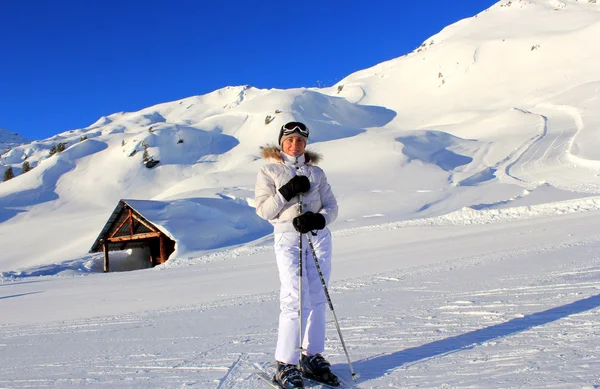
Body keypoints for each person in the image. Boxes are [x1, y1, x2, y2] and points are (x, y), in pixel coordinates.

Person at [255, 121, 340, 388]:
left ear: (306, 143)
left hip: (317, 237)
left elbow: (332, 206)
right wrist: (287, 191)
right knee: (294, 296)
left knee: (317, 296)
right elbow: (264, 211)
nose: (294, 145)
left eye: (300, 140)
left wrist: (319, 220)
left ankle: (312, 355)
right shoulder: (269, 170)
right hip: (288, 236)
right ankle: (285, 363)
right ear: (281, 142)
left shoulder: (317, 172)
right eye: (289, 140)